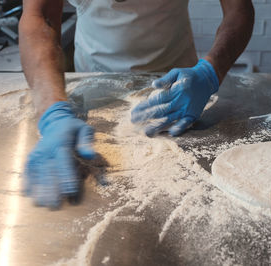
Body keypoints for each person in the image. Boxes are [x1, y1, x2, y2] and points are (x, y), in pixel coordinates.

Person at [19, 0, 254, 207]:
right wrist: (52, 109)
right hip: (94, 82)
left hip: (176, 89)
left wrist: (210, 71)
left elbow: (238, 10)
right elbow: (39, 15)